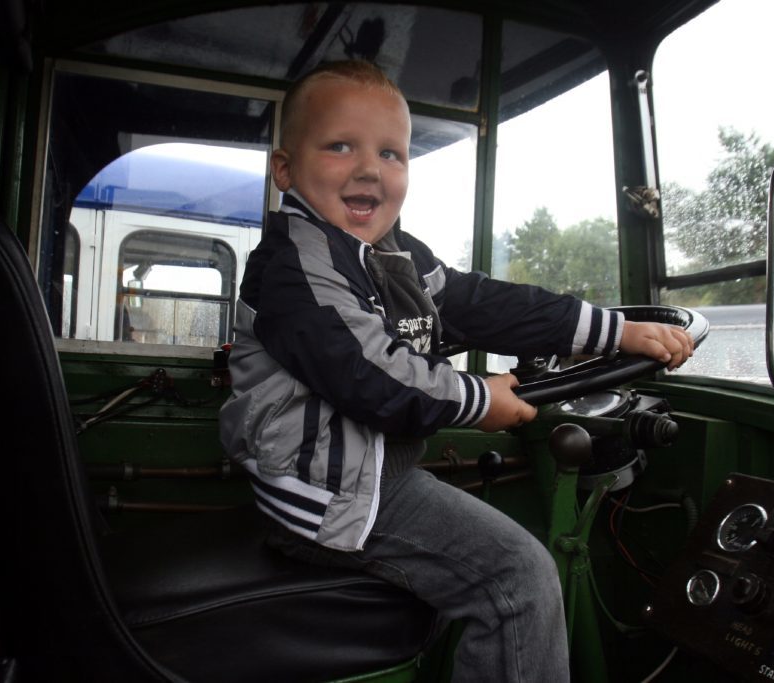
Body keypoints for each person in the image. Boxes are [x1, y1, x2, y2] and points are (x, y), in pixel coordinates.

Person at [219, 60, 693, 682]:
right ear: (285, 170)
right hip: (326, 496)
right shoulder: (294, 266)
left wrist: (611, 331)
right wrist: (479, 400)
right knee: (518, 577)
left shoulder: (391, 252)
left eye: (391, 154)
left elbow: (477, 303)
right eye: (340, 146)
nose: (369, 169)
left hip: (365, 477)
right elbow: (370, 374)